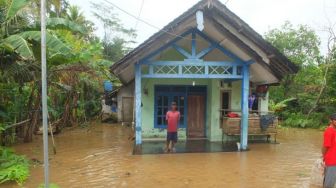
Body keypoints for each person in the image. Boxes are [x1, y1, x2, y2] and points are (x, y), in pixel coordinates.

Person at [322, 113, 336, 188]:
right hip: (331, 161)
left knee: (330, 181)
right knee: (329, 184)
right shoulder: (329, 131)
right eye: (335, 120)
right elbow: (325, 146)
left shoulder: (334, 130)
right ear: (331, 121)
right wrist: (323, 157)